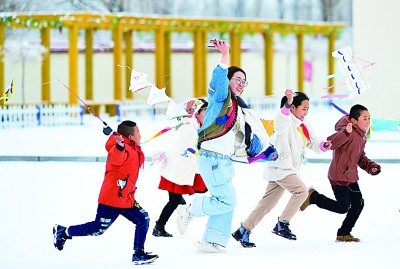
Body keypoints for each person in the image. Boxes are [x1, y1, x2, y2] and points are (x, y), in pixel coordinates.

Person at [176, 39, 268, 253]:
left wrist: (262, 150)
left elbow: (242, 137)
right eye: (238, 79)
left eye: (245, 81)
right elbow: (218, 80)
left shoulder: (239, 109)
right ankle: (189, 210)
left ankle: (212, 242)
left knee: (228, 200)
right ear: (227, 80)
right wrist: (225, 54)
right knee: (227, 200)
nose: (241, 84)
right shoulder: (220, 99)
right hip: (212, 157)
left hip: (223, 160)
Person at [232, 89, 332, 247]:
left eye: (308, 109)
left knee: (266, 204)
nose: (306, 112)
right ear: (293, 108)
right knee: (301, 191)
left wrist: (323, 145)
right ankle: (282, 224)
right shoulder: (284, 121)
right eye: (304, 109)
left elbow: (312, 141)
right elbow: (281, 118)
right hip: (281, 167)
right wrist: (288, 103)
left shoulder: (303, 123)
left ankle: (244, 230)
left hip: (284, 169)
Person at [52, 120, 159, 265]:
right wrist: (120, 147)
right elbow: (116, 157)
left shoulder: (132, 148)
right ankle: (63, 232)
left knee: (143, 219)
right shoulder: (122, 149)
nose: (140, 134)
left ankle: (138, 254)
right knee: (98, 229)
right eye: (138, 131)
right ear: (131, 136)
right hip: (112, 198)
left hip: (125, 197)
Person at [300, 104, 381, 242]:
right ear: (354, 120)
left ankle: (344, 233)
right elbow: (331, 142)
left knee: (358, 204)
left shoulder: (362, 135)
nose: (368, 121)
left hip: (351, 177)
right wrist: (345, 133)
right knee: (343, 207)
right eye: (365, 118)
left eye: (369, 118)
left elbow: (360, 157)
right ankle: (313, 197)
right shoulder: (346, 131)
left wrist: (371, 167)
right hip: (339, 176)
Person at [152, 98, 208, 237]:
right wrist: (199, 149)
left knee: (175, 200)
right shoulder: (190, 128)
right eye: (205, 111)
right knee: (175, 200)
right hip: (177, 170)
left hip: (176, 169)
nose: (208, 115)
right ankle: (159, 227)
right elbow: (187, 151)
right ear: (196, 112)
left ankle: (161, 226)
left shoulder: (192, 126)